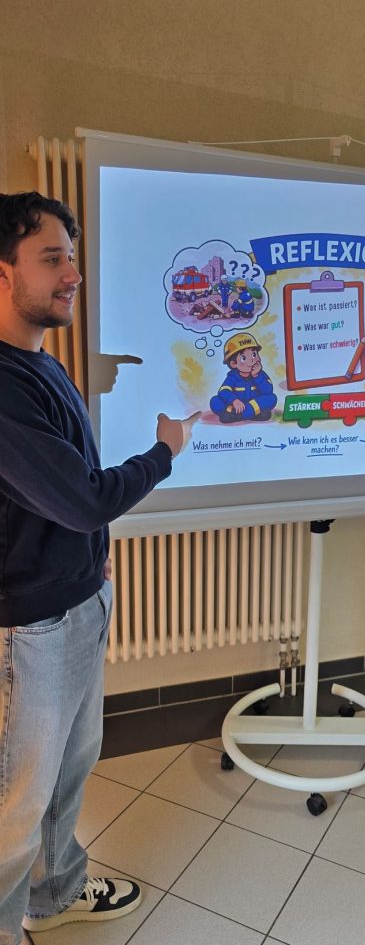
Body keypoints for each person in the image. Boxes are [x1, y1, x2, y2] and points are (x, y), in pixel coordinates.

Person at [0, 191, 196, 945]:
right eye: (52, 259)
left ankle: (54, 897)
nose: (73, 274)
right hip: (29, 629)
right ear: (3, 273)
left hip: (75, 602)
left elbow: (61, 492)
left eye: (72, 258)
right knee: (15, 804)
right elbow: (83, 498)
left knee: (65, 775)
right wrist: (164, 453)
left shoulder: (38, 363)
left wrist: (92, 559)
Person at [210, 332, 276, 422]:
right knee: (215, 401)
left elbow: (268, 391)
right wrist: (234, 400)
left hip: (253, 404)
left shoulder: (260, 374)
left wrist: (257, 376)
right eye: (244, 358)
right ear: (233, 364)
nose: (252, 359)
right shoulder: (233, 377)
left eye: (254, 354)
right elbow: (223, 391)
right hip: (236, 405)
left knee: (272, 398)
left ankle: (238, 415)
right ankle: (252, 414)